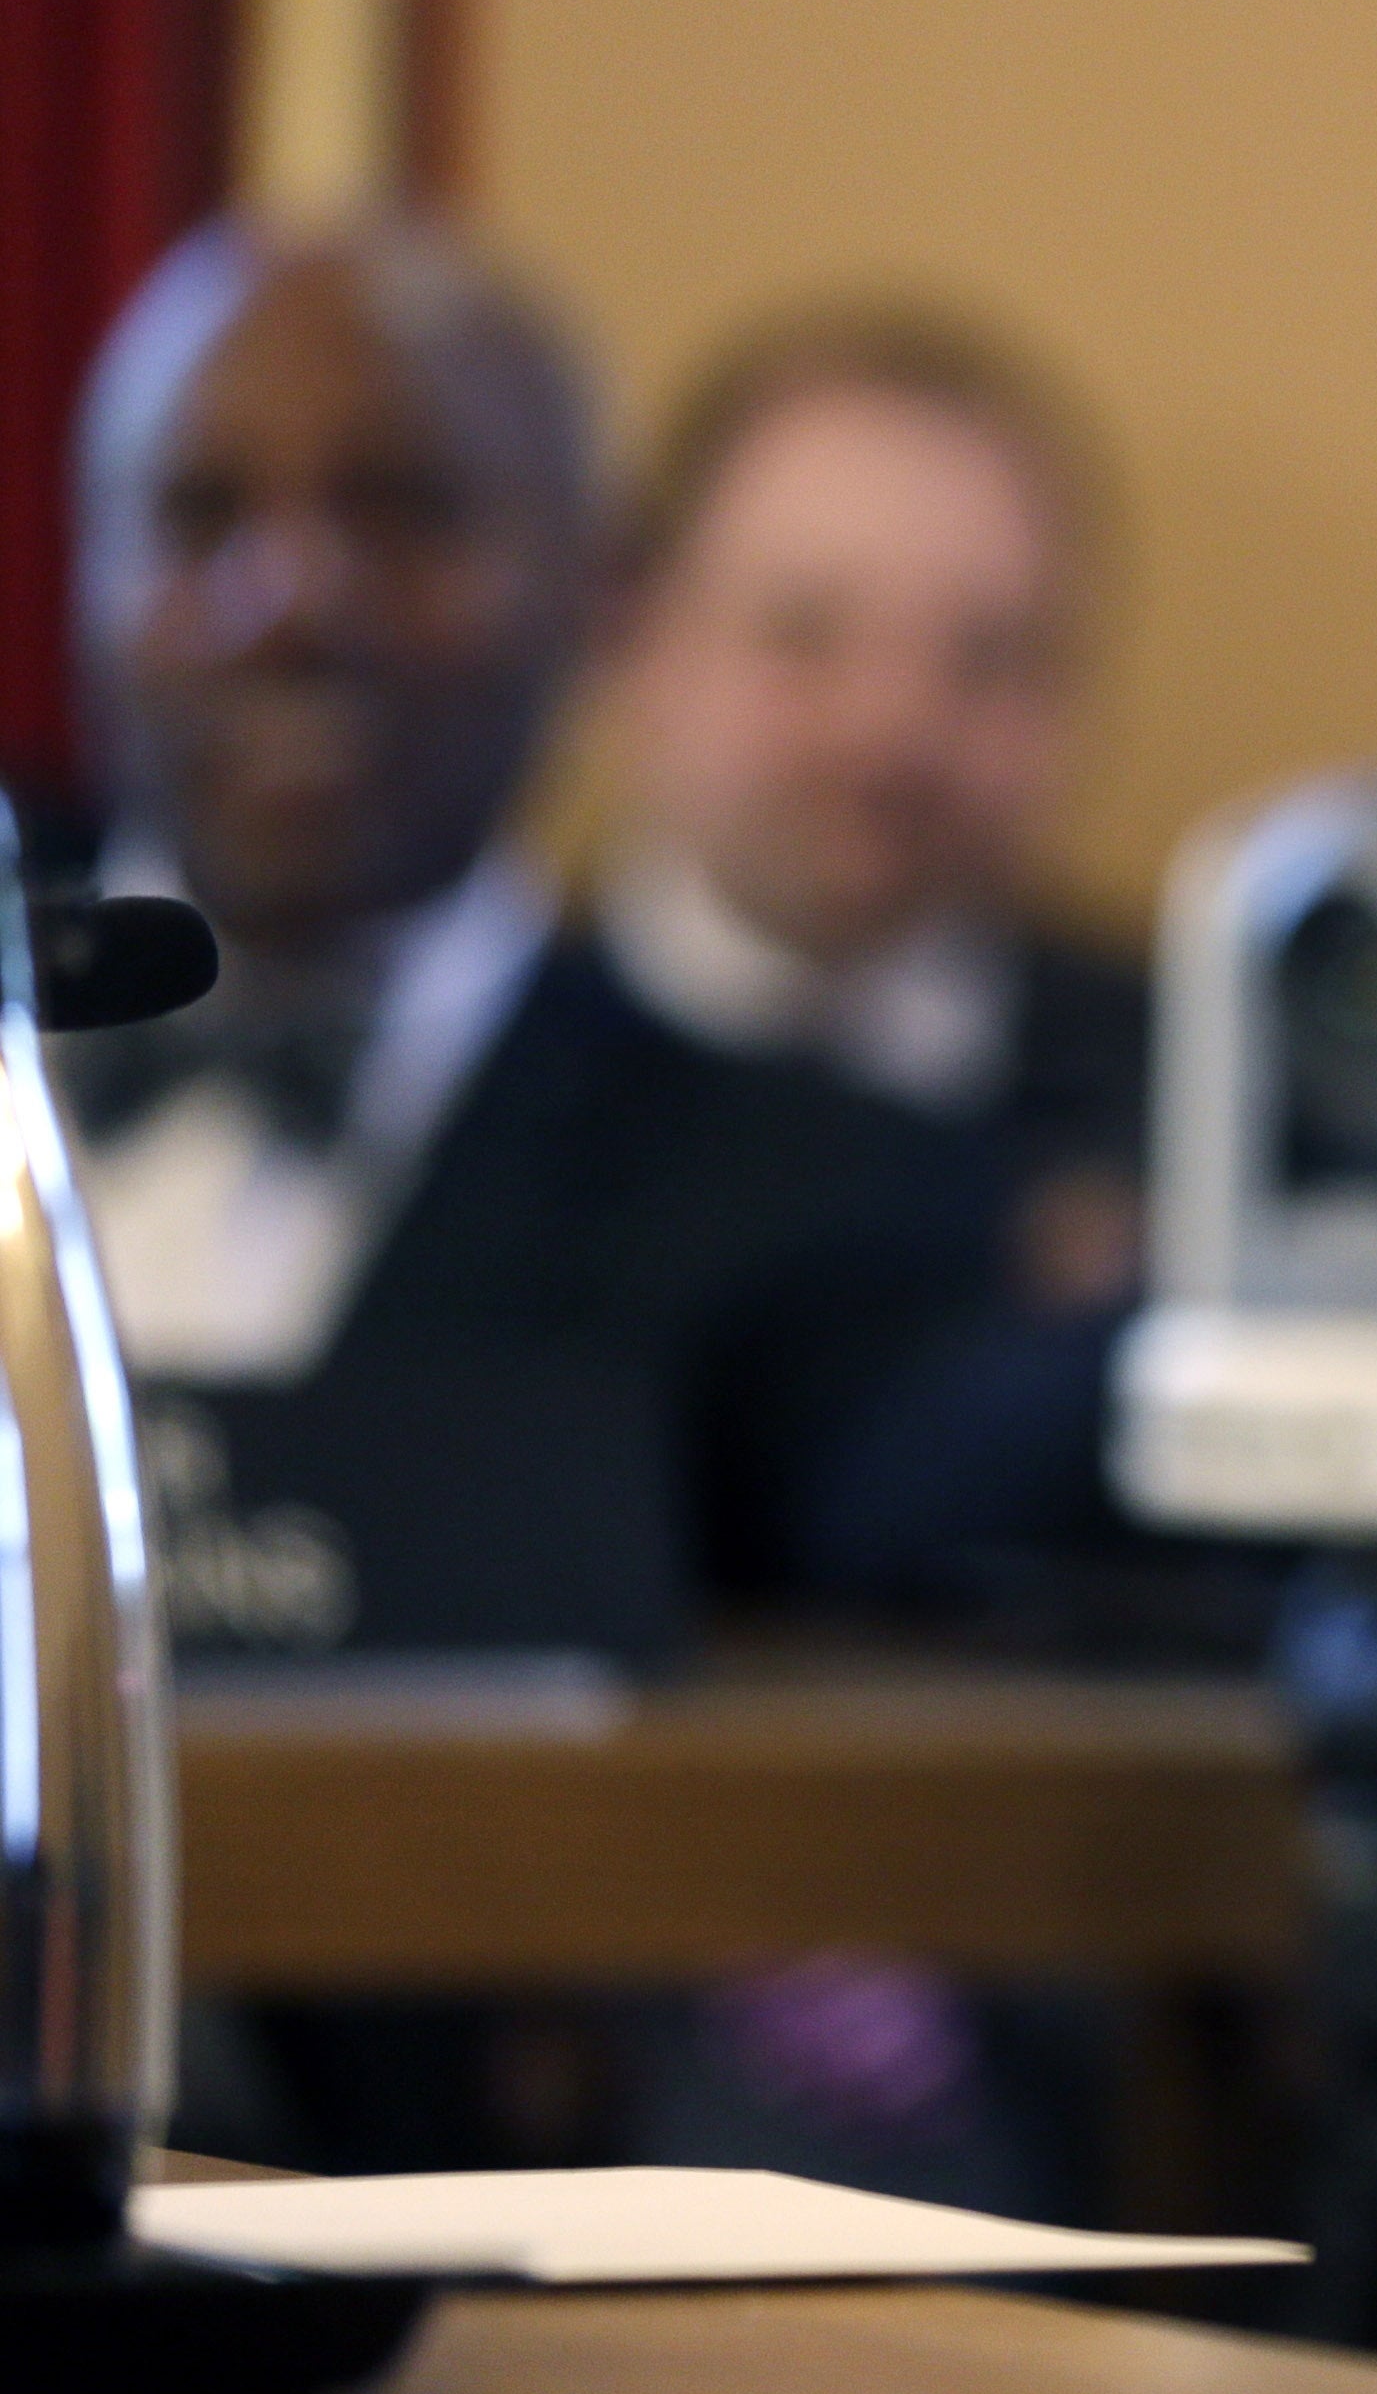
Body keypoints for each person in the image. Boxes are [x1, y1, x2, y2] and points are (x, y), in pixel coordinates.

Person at [63, 220, 991, 1674]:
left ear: (597, 594)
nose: (288, 600)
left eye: (402, 510)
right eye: (197, 514)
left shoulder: (814, 1203)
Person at [599, 307, 1147, 1320]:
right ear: (643, 642)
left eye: (984, 659)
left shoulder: (1193, 1105)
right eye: (803, 634)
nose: (889, 730)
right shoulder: (444, 1065)